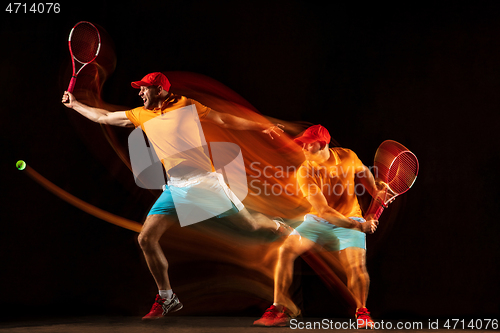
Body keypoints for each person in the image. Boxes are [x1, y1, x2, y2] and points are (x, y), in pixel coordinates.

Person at [62, 72, 290, 320]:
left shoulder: (187, 105)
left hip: (205, 182)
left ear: (159, 89)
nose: (139, 93)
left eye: (144, 88)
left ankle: (279, 226)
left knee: (251, 224)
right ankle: (167, 297)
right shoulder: (141, 114)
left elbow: (224, 120)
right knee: (146, 239)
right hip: (175, 187)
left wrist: (262, 126)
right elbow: (104, 116)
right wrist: (76, 105)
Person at [253, 124, 380, 329]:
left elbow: (363, 171)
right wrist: (360, 227)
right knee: (285, 250)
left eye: (307, 145)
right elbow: (324, 211)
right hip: (319, 220)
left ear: (322, 144)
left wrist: (375, 191)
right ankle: (278, 309)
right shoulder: (305, 171)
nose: (302, 149)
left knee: (356, 265)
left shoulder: (347, 156)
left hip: (351, 218)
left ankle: (362, 311)